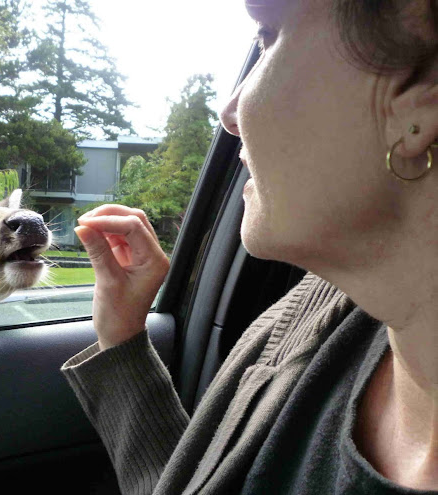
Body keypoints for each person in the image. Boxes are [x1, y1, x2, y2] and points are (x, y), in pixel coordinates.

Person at [61, 0, 438, 493]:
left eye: (269, 35)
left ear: (420, 101)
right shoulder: (302, 320)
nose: (229, 113)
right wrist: (123, 339)